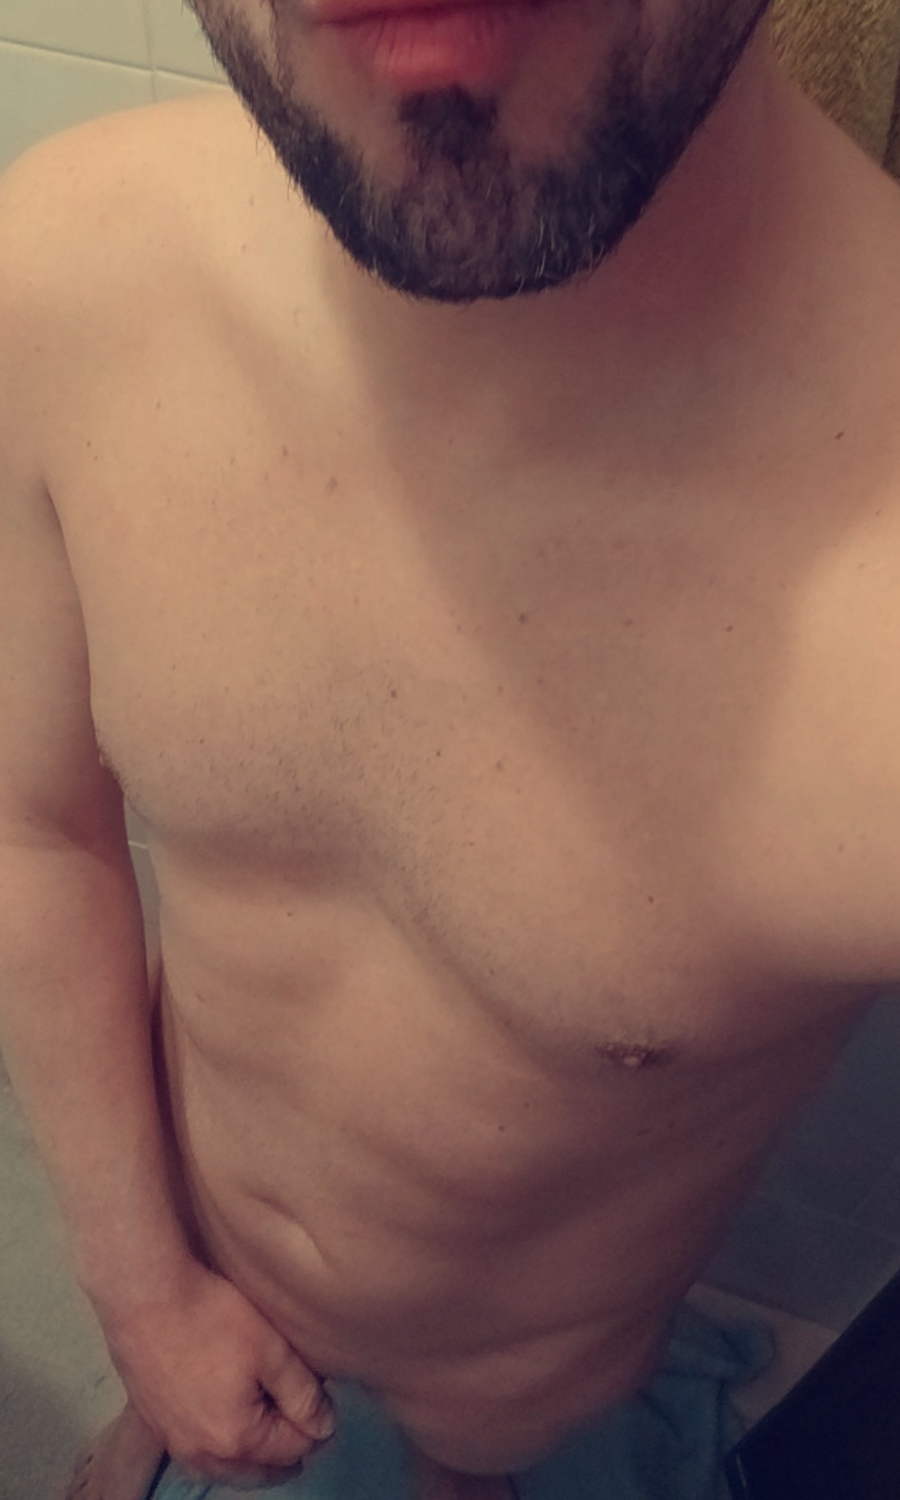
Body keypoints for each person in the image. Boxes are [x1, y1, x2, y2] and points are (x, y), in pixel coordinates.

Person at [2, 0, 899, 1495]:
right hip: (191, 1269)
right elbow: (31, 828)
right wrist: (138, 1290)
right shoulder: (63, 267)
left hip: (512, 1412)